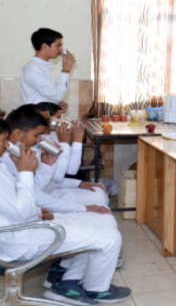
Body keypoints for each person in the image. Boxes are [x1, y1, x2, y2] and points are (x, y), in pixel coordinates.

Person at [0, 118, 131, 305]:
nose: (7, 145)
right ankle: (96, 289)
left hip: (29, 224)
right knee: (110, 238)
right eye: (3, 140)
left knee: (106, 221)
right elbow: (21, 209)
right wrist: (26, 173)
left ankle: (68, 283)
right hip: (19, 239)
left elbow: (26, 199)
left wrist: (46, 211)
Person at [20, 28, 76, 110]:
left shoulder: (43, 65)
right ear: (44, 46)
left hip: (43, 113)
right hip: (36, 116)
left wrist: (56, 105)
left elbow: (49, 95)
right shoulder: (34, 70)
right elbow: (56, 96)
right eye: (58, 45)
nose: (61, 49)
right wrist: (65, 71)